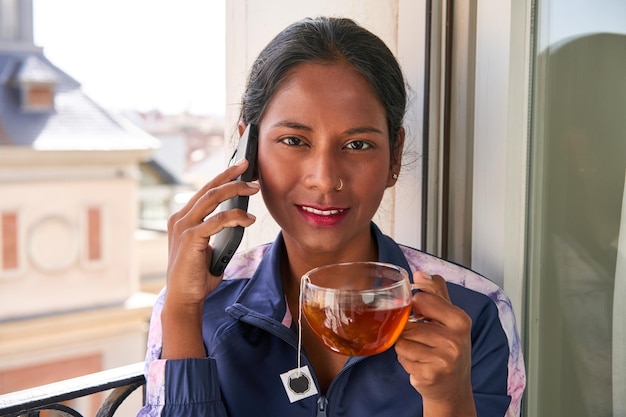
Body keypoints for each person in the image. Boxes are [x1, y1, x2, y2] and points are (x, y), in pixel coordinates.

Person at [137, 16, 525, 417]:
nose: (325, 179)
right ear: (246, 151)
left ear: (394, 155)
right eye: (294, 140)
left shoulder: (472, 312)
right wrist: (183, 312)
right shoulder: (196, 305)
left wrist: (448, 399)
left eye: (357, 144)